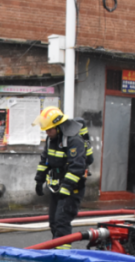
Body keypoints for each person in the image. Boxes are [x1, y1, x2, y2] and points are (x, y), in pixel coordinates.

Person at [33, 106, 91, 247]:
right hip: (57, 188)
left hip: (72, 189)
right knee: (53, 222)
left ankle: (63, 258)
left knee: (62, 222)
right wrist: (39, 180)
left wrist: (66, 188)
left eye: (50, 129)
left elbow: (77, 167)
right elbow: (45, 160)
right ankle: (56, 252)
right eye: (46, 130)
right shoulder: (50, 139)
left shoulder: (73, 141)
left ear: (59, 127)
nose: (47, 133)